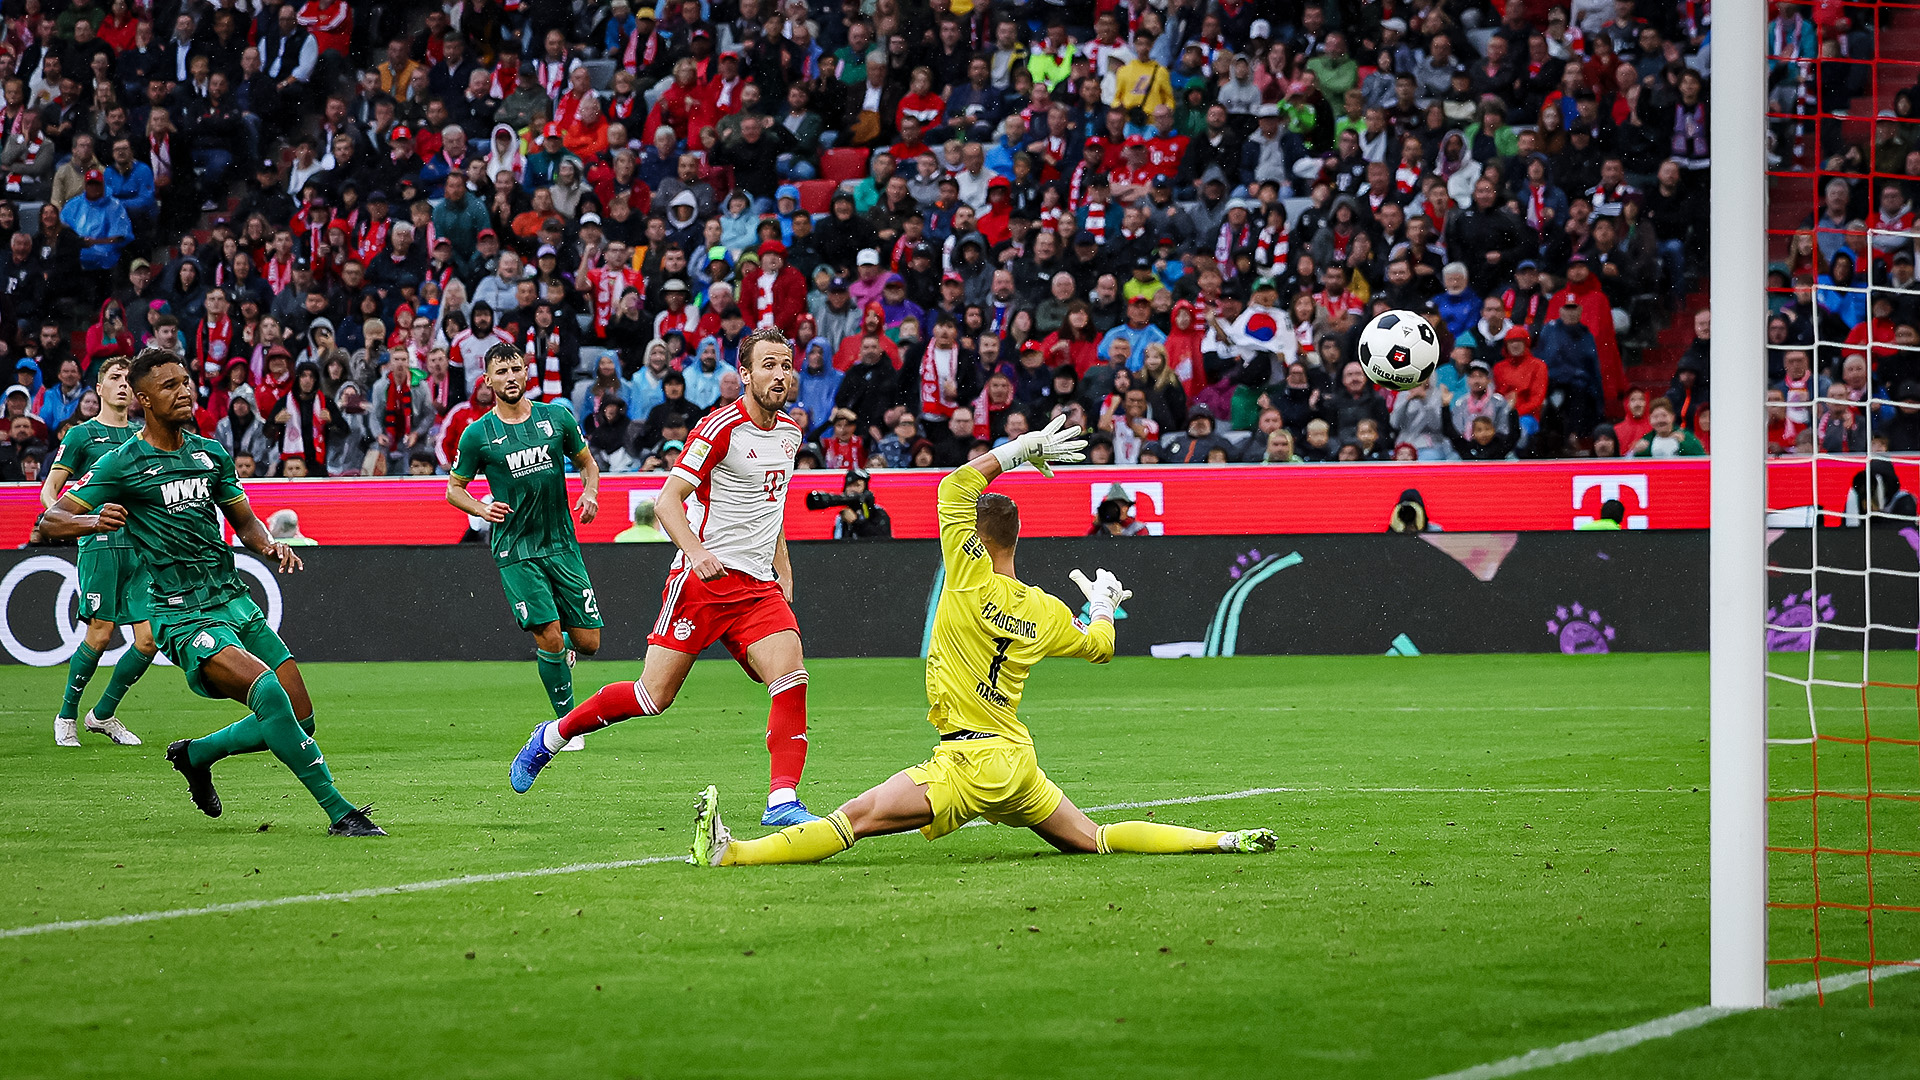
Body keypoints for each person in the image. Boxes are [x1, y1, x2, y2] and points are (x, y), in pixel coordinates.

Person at [689, 415, 1278, 866]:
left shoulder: (968, 575)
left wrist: (1018, 452)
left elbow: (954, 487)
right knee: (1092, 838)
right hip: (1018, 764)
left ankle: (733, 852)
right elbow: (1100, 646)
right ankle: (1219, 839)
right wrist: (1102, 607)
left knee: (856, 819)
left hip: (966, 760)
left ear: (976, 536)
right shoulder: (1045, 609)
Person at [40, 348, 382, 836]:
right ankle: (341, 813)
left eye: (185, 382)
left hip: (232, 599)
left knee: (300, 720)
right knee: (267, 693)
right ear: (143, 400)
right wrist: (93, 519)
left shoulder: (210, 453)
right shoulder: (122, 462)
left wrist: (269, 545)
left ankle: (196, 755)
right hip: (181, 614)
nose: (184, 391)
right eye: (169, 386)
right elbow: (49, 519)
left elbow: (244, 523)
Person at [510, 327, 822, 829]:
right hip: (703, 582)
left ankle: (781, 801)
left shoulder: (790, 433)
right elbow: (667, 501)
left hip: (758, 588)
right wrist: (696, 554)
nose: (780, 374)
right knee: (651, 697)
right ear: (744, 374)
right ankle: (553, 735)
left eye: (786, 365)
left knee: (792, 681)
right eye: (768, 365)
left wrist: (782, 572)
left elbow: (773, 509)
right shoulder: (721, 426)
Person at [446, 344, 604, 750]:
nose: (511, 377)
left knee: (588, 643)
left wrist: (590, 493)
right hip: (516, 548)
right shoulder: (478, 434)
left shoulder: (557, 418)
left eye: (516, 369)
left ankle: (562, 654)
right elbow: (454, 489)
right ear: (488, 381)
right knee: (548, 634)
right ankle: (566, 726)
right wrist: (481, 506)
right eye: (502, 372)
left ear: (526, 372)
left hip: (561, 544)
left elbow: (588, 464)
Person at [37, 354, 152, 746]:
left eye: (128, 379)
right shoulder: (81, 436)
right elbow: (49, 493)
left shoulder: (143, 435)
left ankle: (102, 714)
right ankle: (66, 716)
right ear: (99, 389)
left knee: (149, 640)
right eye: (115, 377)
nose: (123, 384)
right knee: (100, 635)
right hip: (100, 546)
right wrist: (83, 523)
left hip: (140, 550)